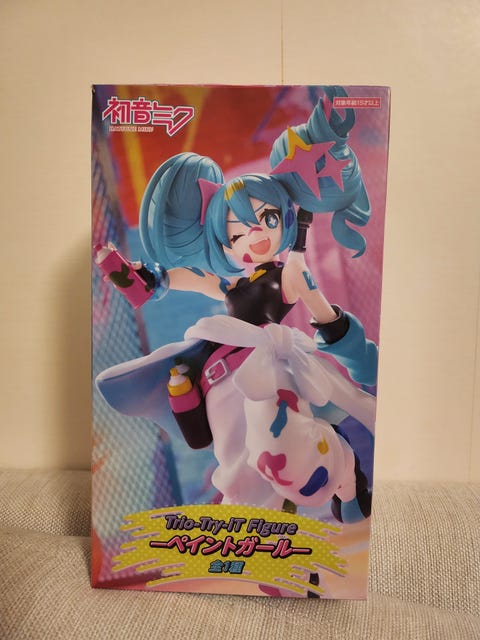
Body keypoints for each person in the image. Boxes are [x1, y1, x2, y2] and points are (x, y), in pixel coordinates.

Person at [96, 87, 378, 523]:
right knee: (235, 464)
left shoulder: (288, 273)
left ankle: (344, 474)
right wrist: (147, 277)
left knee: (281, 449)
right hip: (220, 376)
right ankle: (248, 519)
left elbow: (321, 311)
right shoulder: (229, 282)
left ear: (285, 220)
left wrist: (350, 347)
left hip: (269, 366)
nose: (255, 236)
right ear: (223, 241)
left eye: (267, 220)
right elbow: (184, 278)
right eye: (238, 232)